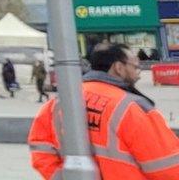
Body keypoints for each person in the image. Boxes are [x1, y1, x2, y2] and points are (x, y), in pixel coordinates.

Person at [29, 43, 179, 179]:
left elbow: (40, 149)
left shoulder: (60, 102)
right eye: (135, 67)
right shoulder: (131, 107)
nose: (138, 73)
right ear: (119, 68)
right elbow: (167, 167)